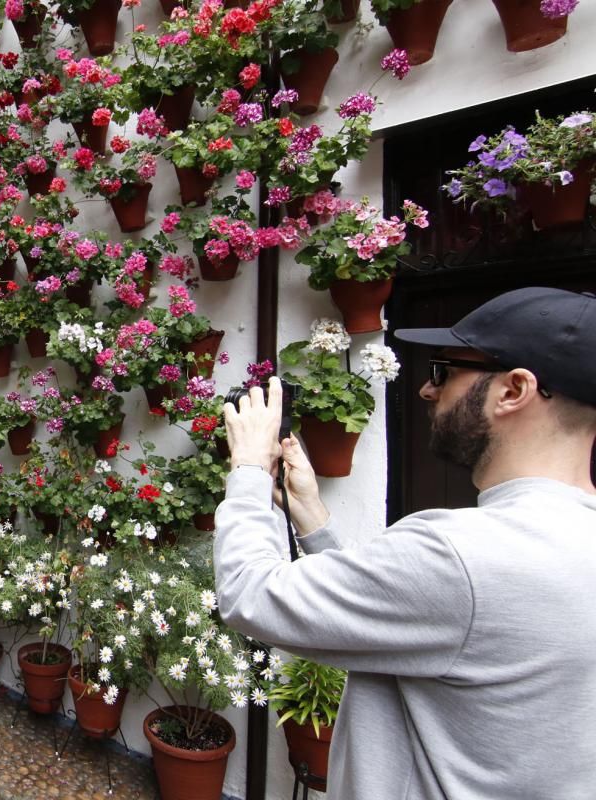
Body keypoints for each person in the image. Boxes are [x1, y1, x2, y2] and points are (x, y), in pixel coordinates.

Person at [214, 287, 596, 800]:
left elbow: (250, 594)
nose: (426, 390)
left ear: (513, 390)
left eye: (443, 370)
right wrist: (311, 517)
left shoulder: (461, 555)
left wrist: (248, 469)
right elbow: (413, 621)